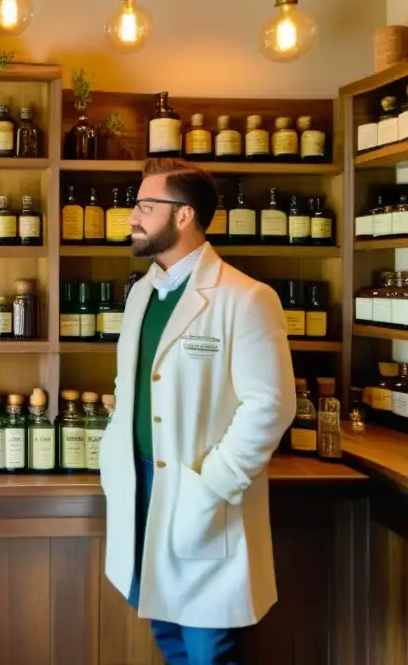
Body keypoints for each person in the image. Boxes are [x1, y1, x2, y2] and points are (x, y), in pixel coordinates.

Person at [99, 158, 296, 665]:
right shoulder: (143, 291)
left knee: (209, 649)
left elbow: (271, 405)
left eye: (145, 206)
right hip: (143, 488)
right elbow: (130, 383)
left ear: (183, 216)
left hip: (200, 489)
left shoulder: (246, 298)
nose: (131, 217)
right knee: (167, 634)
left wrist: (213, 485)